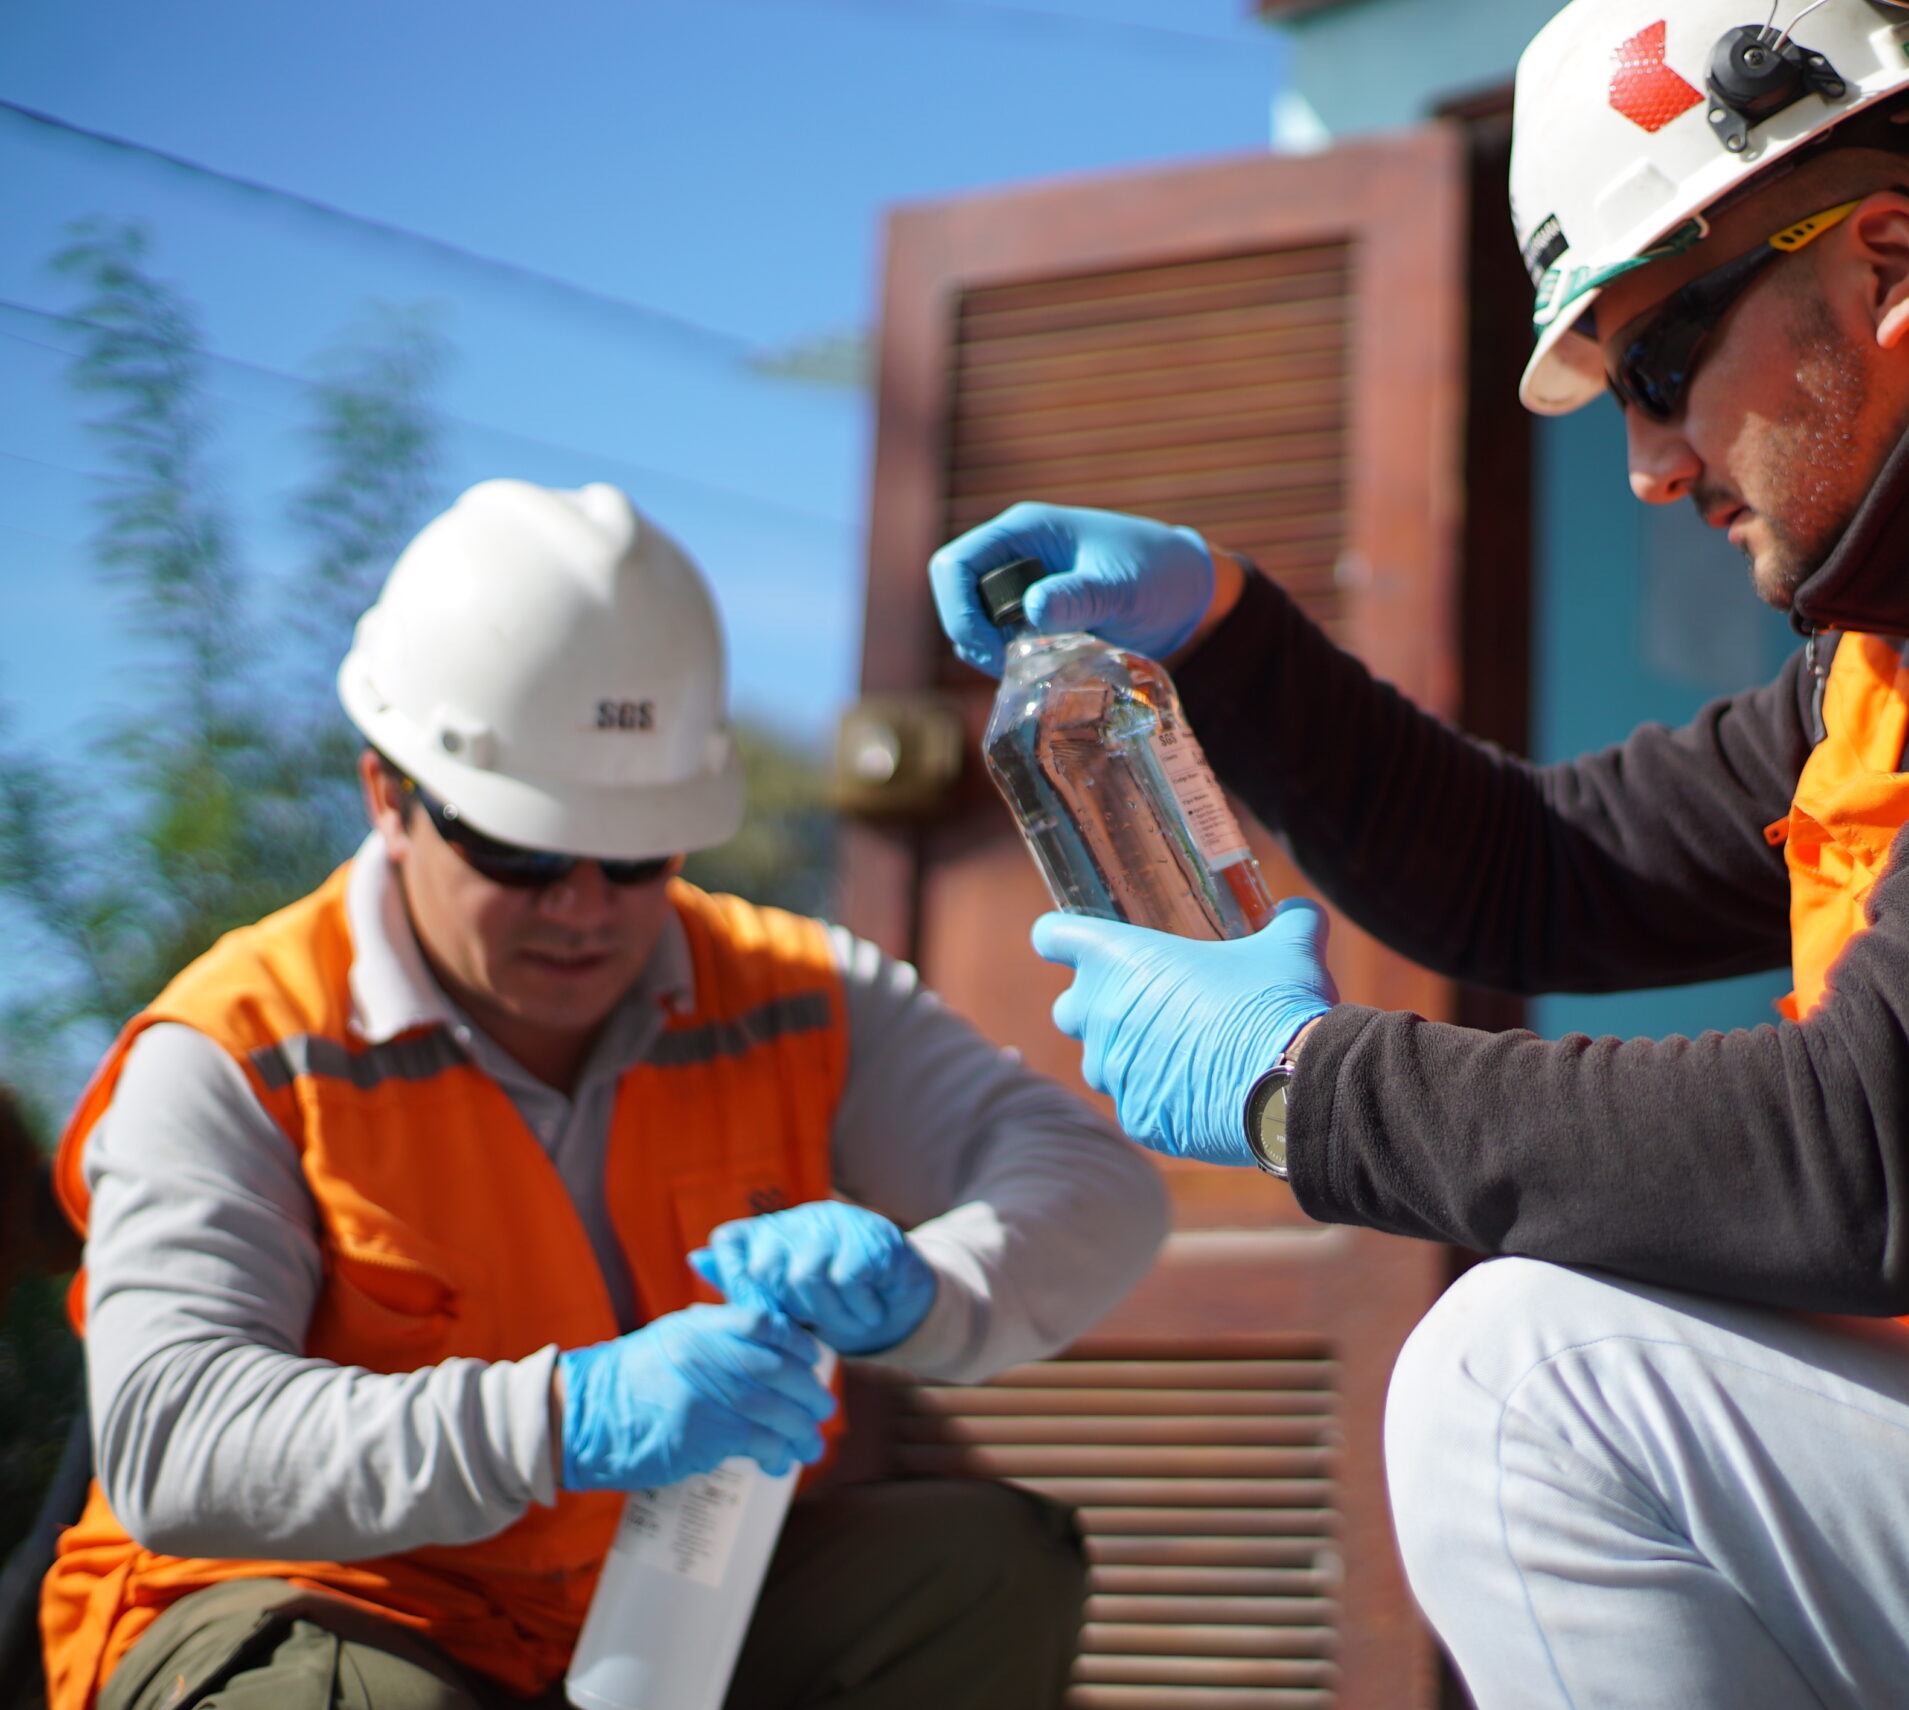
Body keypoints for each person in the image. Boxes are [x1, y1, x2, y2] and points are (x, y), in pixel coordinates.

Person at [921, 2, 1909, 1707]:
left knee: (1525, 1373)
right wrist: (1231, 634)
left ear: (1880, 267)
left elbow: (1872, 1158)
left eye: (1652, 369)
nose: (1645, 464)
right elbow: (1532, 871)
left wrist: (1301, 1088)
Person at [42, 479, 1167, 1710]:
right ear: (388, 796)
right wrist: (571, 1415)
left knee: (980, 1570)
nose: (583, 907)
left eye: (635, 854)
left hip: (663, 1612)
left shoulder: (788, 989)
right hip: (331, 1607)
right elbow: (175, 1443)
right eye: (522, 851)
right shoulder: (236, 1048)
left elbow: (1096, 1186)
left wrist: (926, 1290)